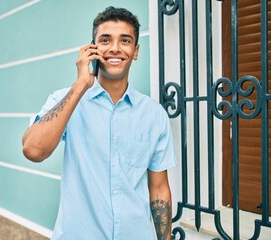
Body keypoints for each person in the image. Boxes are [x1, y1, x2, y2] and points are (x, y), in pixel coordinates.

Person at [22, 6, 177, 240]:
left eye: (125, 40)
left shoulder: (154, 115)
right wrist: (81, 84)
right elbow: (33, 150)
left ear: (135, 51)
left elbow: (159, 188)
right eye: (105, 40)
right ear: (92, 48)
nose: (115, 47)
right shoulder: (65, 100)